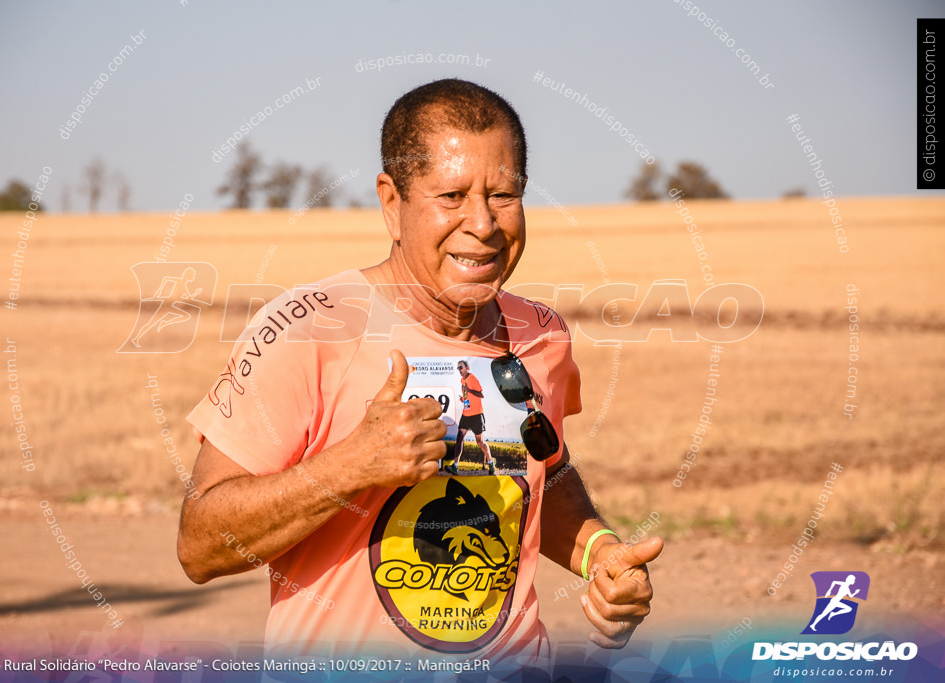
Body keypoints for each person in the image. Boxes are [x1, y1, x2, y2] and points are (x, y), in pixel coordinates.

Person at [178, 78, 662, 675]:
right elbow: (199, 545)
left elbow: (547, 471)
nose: (483, 223)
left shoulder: (543, 336)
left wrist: (599, 552)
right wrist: (350, 466)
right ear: (391, 202)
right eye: (452, 195)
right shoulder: (306, 329)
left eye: (504, 194)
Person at [444, 360, 496, 475]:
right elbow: (467, 396)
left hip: (477, 415)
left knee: (480, 442)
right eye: (458, 368)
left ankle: (491, 462)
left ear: (467, 367)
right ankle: (455, 466)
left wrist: (469, 390)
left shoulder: (472, 378)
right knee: (459, 439)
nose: (459, 370)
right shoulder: (462, 380)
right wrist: (464, 398)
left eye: (461, 367)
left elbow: (481, 394)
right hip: (466, 414)